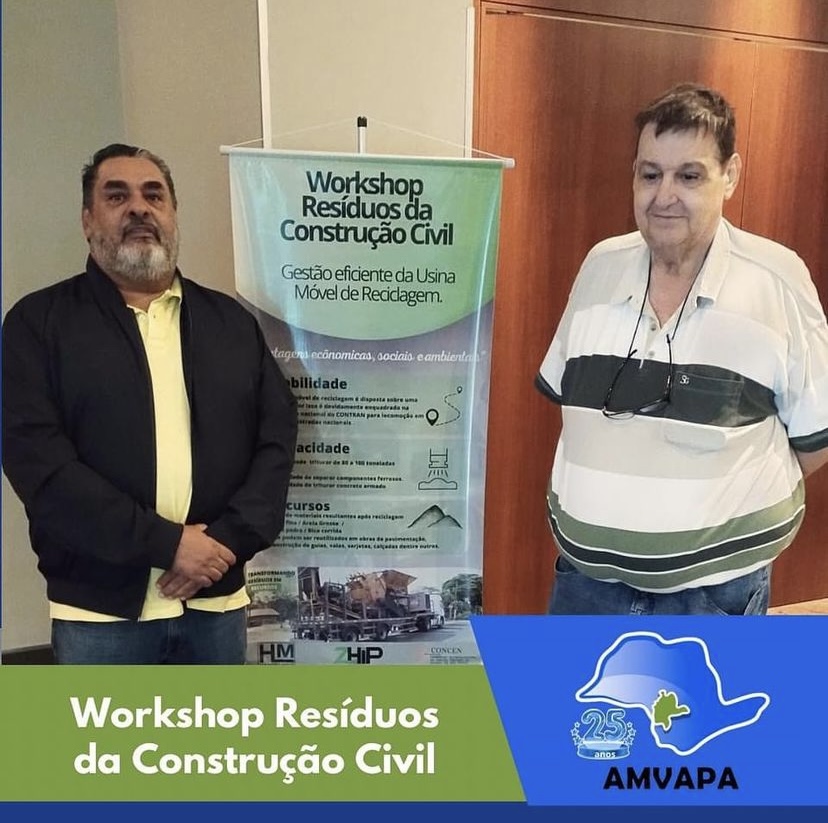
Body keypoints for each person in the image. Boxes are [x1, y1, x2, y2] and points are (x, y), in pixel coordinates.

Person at [535, 83, 828, 615]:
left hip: (711, 596)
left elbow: (814, 438)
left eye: (689, 176)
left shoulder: (777, 280)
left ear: (730, 175)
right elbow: (571, 405)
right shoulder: (600, 264)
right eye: (650, 174)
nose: (664, 195)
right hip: (584, 586)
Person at [2, 143, 298, 662]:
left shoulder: (229, 323)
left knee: (215, 723)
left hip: (216, 603)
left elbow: (276, 439)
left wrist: (226, 541)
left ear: (173, 214)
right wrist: (169, 545)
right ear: (88, 220)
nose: (139, 208)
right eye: (117, 196)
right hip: (100, 616)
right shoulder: (39, 323)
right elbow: (40, 466)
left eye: (153, 195)